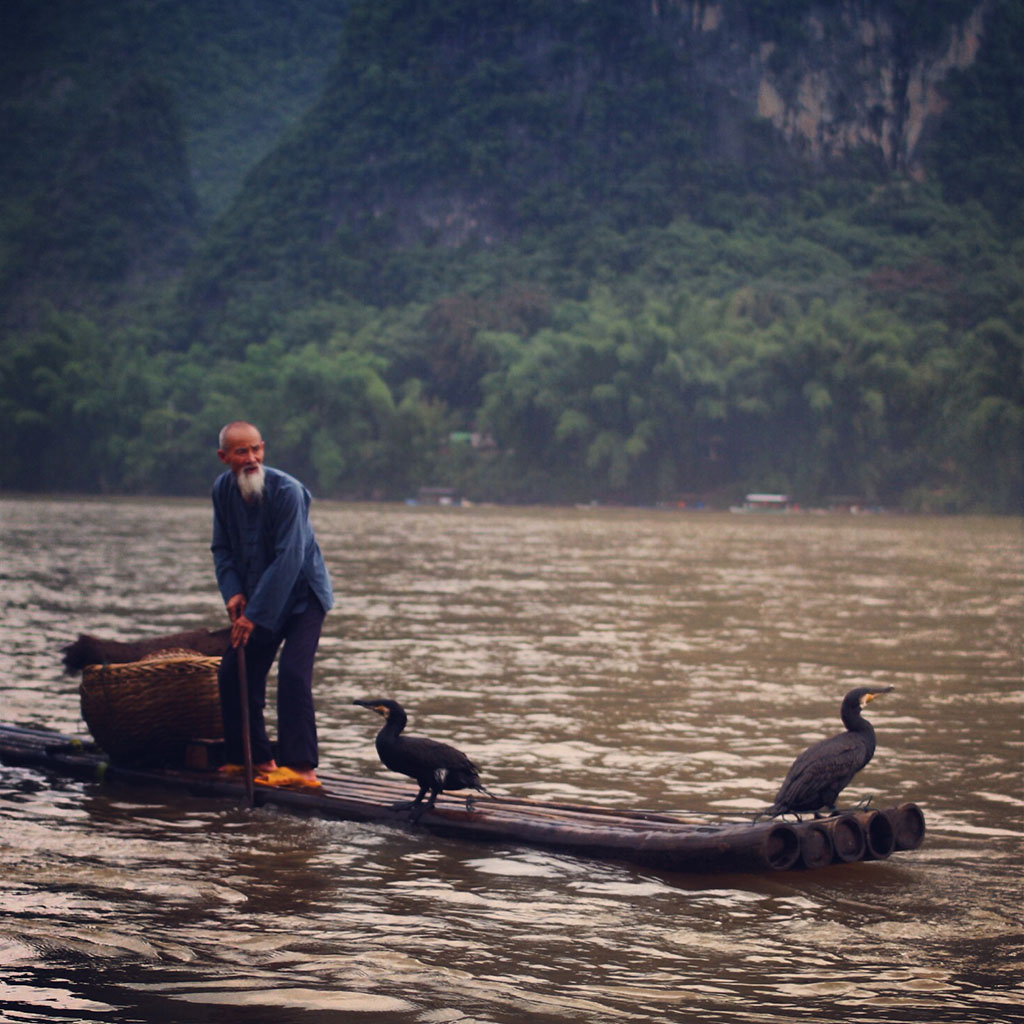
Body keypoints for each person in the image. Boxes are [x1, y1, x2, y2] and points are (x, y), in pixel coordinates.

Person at [211, 421, 334, 790]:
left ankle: (301, 769)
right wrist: (232, 592)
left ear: (263, 449)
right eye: (240, 452)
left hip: (302, 596)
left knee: (294, 674)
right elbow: (222, 549)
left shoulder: (288, 492)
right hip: (259, 598)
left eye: (256, 450)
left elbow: (289, 558)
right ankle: (251, 757)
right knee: (234, 671)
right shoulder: (222, 490)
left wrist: (253, 616)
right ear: (224, 457)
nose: (251, 459)